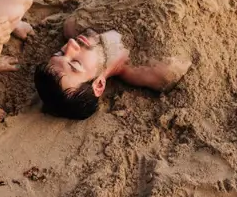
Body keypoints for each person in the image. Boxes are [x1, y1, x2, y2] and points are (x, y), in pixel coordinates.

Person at [34, 16, 192, 120]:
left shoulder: (76, 23)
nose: (71, 44)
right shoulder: (159, 67)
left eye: (60, 52)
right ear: (99, 84)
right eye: (75, 63)